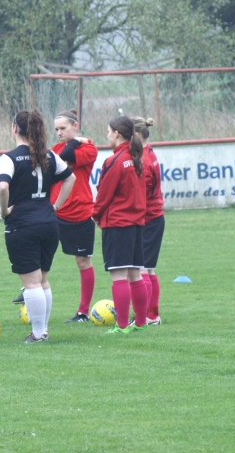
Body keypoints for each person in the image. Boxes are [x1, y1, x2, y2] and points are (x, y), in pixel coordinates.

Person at [0, 110, 75, 343]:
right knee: (42, 280)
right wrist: (56, 206)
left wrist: (3, 211)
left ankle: (39, 333)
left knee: (31, 283)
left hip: (23, 224)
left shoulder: (9, 157)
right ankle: (43, 331)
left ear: (14, 129)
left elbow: (2, 187)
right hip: (49, 222)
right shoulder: (49, 155)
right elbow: (70, 178)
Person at [92, 115, 149, 334]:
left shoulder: (114, 161)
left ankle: (123, 325)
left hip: (117, 223)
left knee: (118, 275)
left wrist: (96, 214)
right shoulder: (137, 158)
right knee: (135, 274)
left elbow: (104, 193)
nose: (107, 135)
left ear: (116, 133)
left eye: (108, 131)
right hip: (136, 223)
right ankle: (141, 323)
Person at [50, 110, 99, 323]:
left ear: (75, 125)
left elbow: (66, 158)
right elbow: (58, 160)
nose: (59, 133)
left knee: (82, 261)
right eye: (56, 130)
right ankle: (29, 291)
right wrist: (75, 140)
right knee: (40, 257)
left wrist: (78, 142)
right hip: (54, 212)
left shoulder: (88, 148)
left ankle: (83, 312)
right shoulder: (57, 148)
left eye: (63, 128)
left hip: (80, 213)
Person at [134, 117, 164, 325]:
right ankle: (151, 315)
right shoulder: (149, 152)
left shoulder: (142, 160)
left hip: (148, 218)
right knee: (149, 268)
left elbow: (140, 195)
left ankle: (146, 316)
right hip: (154, 217)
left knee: (142, 269)